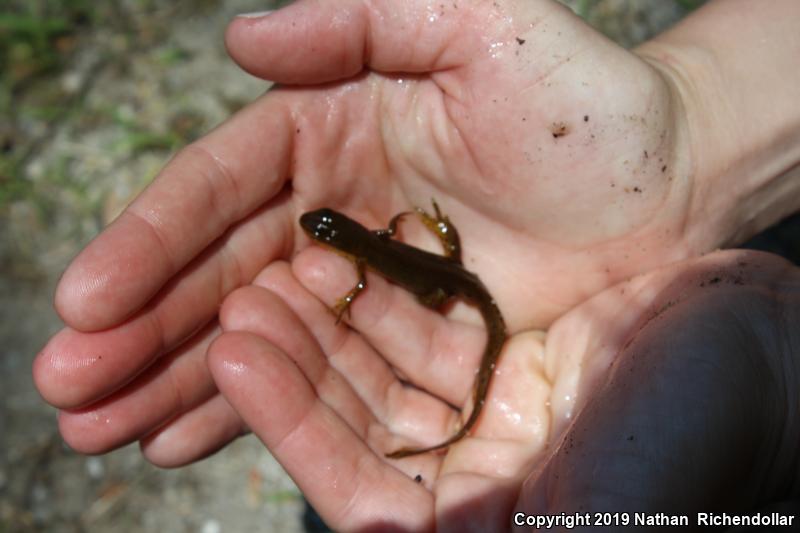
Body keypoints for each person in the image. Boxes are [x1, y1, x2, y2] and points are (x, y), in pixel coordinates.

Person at [34, 0, 800, 530]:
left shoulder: (360, 251)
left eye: (322, 227)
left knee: (439, 286)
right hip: (443, 274)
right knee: (438, 281)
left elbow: (371, 274)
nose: (324, 230)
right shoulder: (354, 247)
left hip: (445, 279)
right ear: (337, 235)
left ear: (331, 233)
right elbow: (367, 270)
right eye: (325, 230)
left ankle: (458, 373)